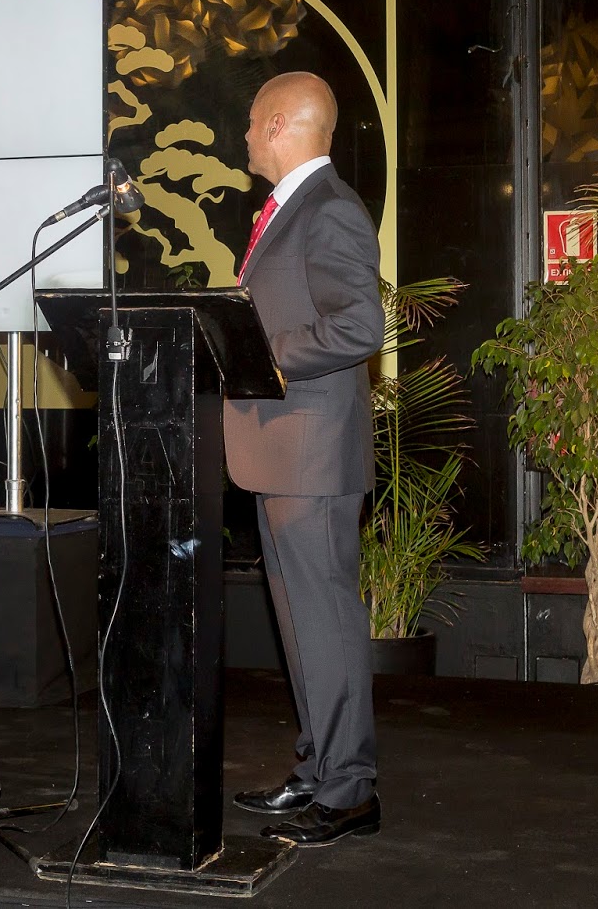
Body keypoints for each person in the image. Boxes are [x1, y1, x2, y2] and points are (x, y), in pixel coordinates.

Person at [223, 71, 385, 847]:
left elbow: (362, 326)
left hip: (314, 455)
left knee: (326, 620)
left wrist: (273, 359)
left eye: (254, 125)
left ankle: (351, 789)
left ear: (282, 123)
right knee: (301, 625)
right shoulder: (290, 211)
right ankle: (320, 766)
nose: (246, 137)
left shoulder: (329, 212)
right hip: (278, 455)